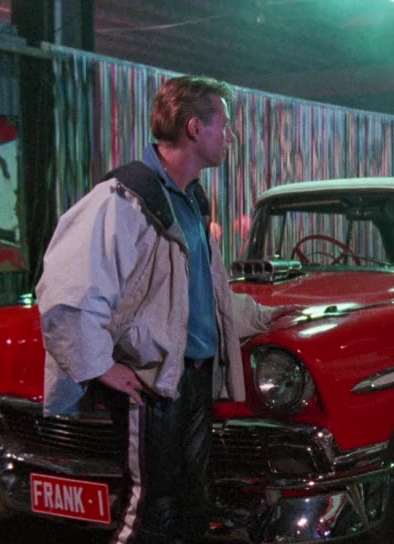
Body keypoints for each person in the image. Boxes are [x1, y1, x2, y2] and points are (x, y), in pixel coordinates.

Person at [36, 75, 297, 543]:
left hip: (191, 378)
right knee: (149, 511)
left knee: (192, 502)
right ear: (195, 128)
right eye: (224, 125)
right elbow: (67, 292)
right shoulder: (124, 199)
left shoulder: (190, 201)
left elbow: (201, 293)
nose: (231, 137)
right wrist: (101, 366)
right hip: (153, 385)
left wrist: (262, 316)